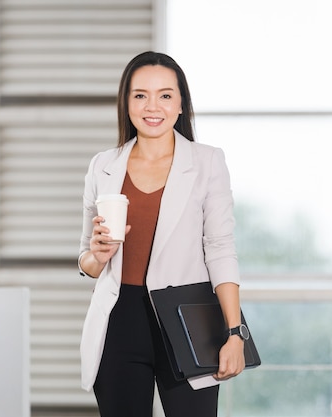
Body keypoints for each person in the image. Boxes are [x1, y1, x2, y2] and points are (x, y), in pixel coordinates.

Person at [77, 51, 246, 417]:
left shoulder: (207, 161)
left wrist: (235, 333)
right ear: (126, 102)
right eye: (140, 95)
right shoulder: (103, 165)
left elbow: (220, 248)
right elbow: (87, 263)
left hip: (187, 320)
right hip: (119, 322)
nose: (152, 106)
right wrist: (97, 255)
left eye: (165, 95)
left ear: (181, 103)